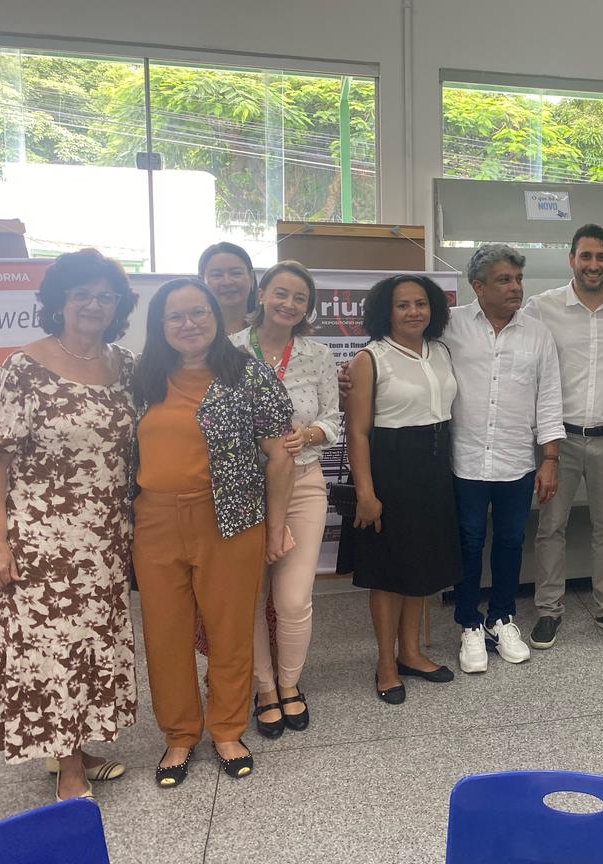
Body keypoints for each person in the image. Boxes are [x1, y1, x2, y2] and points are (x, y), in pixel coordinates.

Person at [0, 249, 138, 801]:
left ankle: (76, 745)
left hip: (105, 538)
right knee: (50, 649)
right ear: (60, 301)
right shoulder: (23, 368)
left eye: (105, 296)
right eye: (82, 295)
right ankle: (69, 769)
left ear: (118, 305)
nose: (94, 305)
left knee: (91, 644)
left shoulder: (126, 366)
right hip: (40, 538)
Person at [133, 278, 294, 786]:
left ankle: (227, 729)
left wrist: (276, 527)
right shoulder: (140, 378)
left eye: (198, 312)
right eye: (175, 316)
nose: (189, 324)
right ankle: (179, 735)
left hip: (230, 520)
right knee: (165, 633)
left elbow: (279, 456)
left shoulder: (247, 373)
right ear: (160, 325)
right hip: (155, 522)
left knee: (230, 630)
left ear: (216, 316)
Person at [338, 275, 463, 703]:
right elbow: (357, 432)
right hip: (390, 471)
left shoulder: (441, 351)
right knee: (389, 574)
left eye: (421, 303)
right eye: (403, 305)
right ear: (386, 311)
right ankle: (385, 663)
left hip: (435, 470)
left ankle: (410, 652)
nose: (413, 312)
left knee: (422, 567)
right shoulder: (370, 358)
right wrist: (366, 493)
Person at [228, 262, 340, 734]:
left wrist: (309, 433)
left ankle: (290, 684)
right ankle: (265, 688)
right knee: (249, 597)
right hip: (244, 490)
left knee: (293, 599)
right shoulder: (230, 350)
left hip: (303, 484)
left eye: (300, 298)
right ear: (261, 294)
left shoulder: (317, 354)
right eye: (280, 293)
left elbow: (333, 417)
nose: (289, 304)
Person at [444, 244, 565, 674]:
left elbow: (549, 398)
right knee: (469, 542)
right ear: (478, 287)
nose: (515, 287)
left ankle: (501, 618)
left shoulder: (537, 334)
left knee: (511, 541)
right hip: (465, 459)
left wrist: (550, 458)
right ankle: (469, 623)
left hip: (516, 460)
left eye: (518, 279)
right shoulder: (450, 326)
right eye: (504, 280)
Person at [524, 224, 603, 649]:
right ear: (571, 258)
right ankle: (548, 610)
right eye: (586, 256)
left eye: (602, 257)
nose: (594, 264)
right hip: (559, 440)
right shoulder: (542, 308)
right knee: (551, 526)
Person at [198, 241, 257, 334]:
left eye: (236, 273)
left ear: (251, 278)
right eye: (217, 275)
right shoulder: (193, 330)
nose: (227, 282)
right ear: (201, 281)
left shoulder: (271, 326)